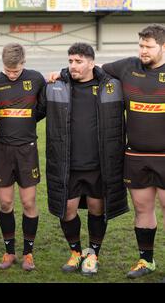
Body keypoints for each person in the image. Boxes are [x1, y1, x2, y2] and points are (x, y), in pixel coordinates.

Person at [38, 43, 128, 275]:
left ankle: (93, 254)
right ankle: (76, 252)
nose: (73, 66)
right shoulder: (57, 86)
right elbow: (33, 113)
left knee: (98, 209)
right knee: (67, 210)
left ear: (91, 63)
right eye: (70, 61)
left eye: (78, 61)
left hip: (99, 164)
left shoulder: (111, 86)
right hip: (68, 164)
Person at [100, 24, 165, 279]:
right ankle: (146, 260)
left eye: (149, 47)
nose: (143, 51)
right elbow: (96, 71)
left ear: (163, 47)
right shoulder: (128, 67)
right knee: (142, 208)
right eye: (141, 45)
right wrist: (61, 73)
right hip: (136, 155)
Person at [0, 43, 46, 271]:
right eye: (8, 70)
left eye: (16, 70)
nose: (12, 74)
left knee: (29, 202)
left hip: (27, 150)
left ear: (24, 62)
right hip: (1, 151)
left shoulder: (36, 79)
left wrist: (28, 124)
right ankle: (9, 251)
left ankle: (28, 253)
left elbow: (43, 108)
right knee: (5, 203)